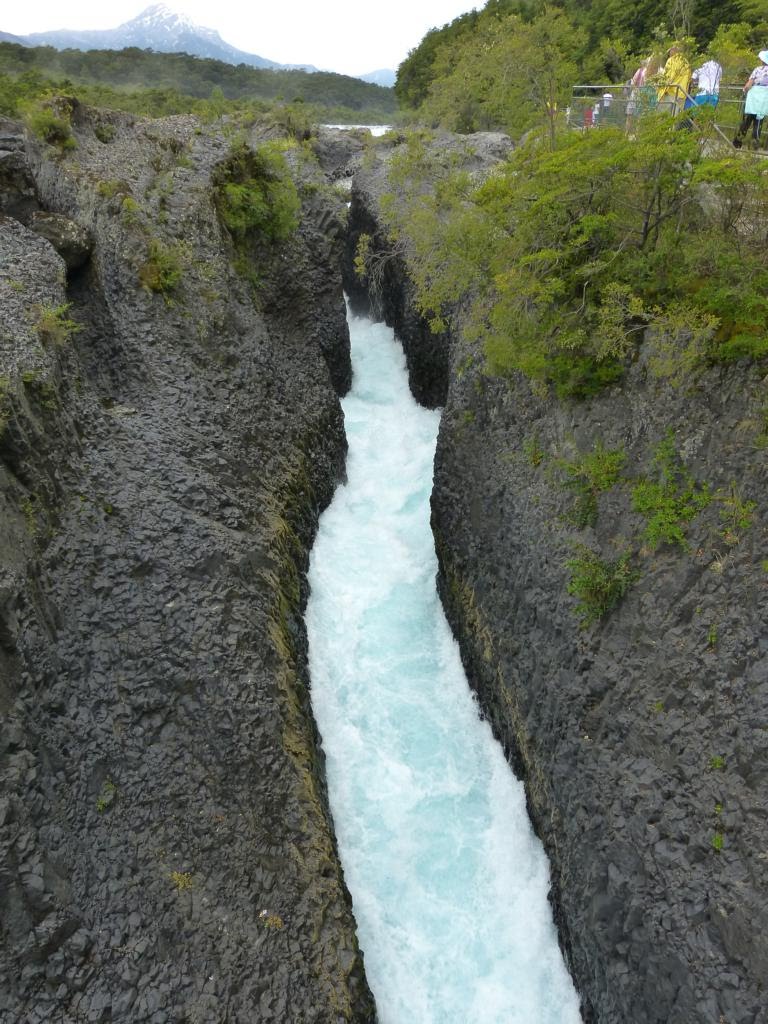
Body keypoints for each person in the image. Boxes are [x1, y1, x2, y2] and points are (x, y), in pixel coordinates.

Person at [733, 50, 768, 148]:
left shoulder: (757, 69)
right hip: (764, 98)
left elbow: (749, 84)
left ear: (762, 60)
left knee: (747, 120)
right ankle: (754, 144)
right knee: (759, 120)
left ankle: (737, 141)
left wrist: (745, 90)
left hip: (753, 97)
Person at [656, 45, 692, 115]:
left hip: (670, 92)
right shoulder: (686, 63)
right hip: (681, 93)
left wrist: (662, 88)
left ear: (673, 51)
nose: (669, 54)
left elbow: (668, 75)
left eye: (670, 51)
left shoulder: (671, 60)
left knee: (662, 117)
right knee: (675, 118)